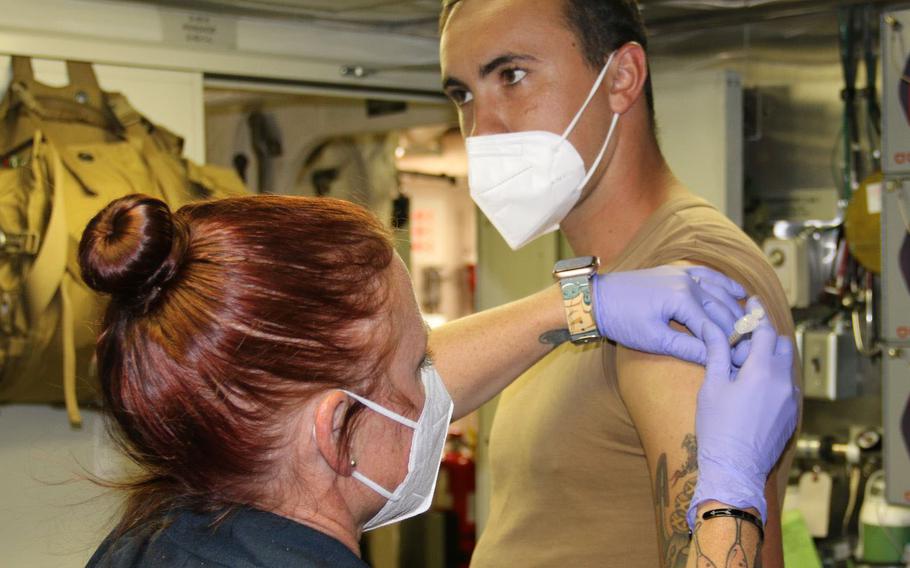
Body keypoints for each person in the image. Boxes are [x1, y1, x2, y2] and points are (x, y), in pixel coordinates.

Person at [82, 194, 796, 567]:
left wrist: (580, 305)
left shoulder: (158, 535)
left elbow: (345, 400)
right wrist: (728, 498)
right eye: (419, 362)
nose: (437, 392)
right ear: (334, 430)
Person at [437, 0, 802, 566]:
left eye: (511, 76)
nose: (480, 130)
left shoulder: (693, 283)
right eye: (462, 95)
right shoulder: (598, 286)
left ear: (622, 78)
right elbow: (391, 397)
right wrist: (574, 303)